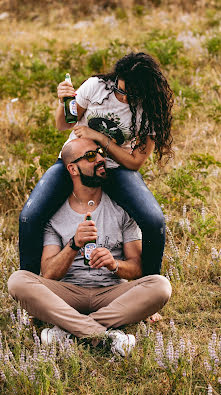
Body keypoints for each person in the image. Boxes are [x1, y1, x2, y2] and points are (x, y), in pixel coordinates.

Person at [9, 138, 172, 357]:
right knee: (18, 281)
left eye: (99, 153)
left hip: (111, 292)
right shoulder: (54, 214)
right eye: (90, 156)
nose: (100, 159)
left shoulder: (122, 210)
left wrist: (114, 265)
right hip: (68, 293)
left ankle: (69, 330)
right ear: (72, 169)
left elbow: (137, 268)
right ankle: (104, 335)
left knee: (160, 286)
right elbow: (48, 273)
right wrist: (73, 244)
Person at [19, 51, 174, 276]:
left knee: (153, 220)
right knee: (30, 216)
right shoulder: (96, 86)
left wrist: (101, 138)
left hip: (116, 169)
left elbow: (135, 162)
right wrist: (64, 102)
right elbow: (64, 124)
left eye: (131, 95)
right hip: (76, 163)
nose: (122, 97)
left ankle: (149, 290)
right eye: (120, 90)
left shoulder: (150, 110)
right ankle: (31, 293)